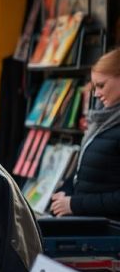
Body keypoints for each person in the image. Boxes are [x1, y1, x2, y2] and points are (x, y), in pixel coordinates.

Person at [50, 47, 120, 217]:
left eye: (101, 85)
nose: (96, 94)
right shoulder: (103, 119)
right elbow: (87, 171)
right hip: (93, 224)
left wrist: (74, 204)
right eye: (94, 87)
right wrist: (66, 191)